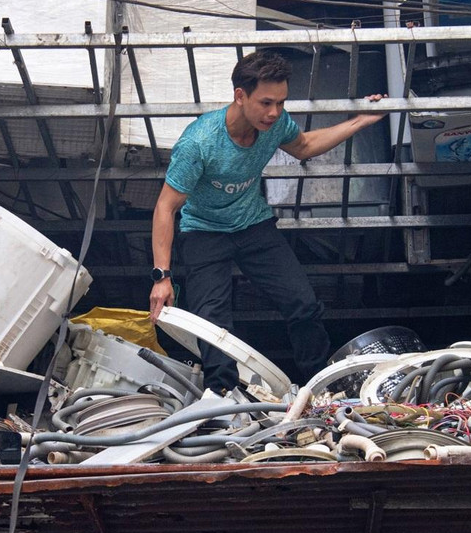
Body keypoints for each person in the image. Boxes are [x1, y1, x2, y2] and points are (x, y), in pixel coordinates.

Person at [148, 50, 385, 392]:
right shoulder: (199, 142)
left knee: (303, 304)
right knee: (212, 322)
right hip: (204, 231)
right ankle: (223, 398)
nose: (274, 112)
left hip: (253, 224)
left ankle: (319, 388)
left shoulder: (275, 125)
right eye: (266, 103)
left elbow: (303, 146)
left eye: (281, 103)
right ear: (240, 96)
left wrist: (360, 120)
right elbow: (165, 208)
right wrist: (162, 277)